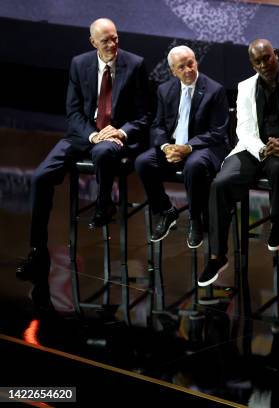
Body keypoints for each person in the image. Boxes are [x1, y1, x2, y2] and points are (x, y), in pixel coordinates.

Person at [16, 18, 149, 282]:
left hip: (116, 136)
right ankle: (37, 252)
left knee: (103, 153)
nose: (112, 44)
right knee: (41, 177)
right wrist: (91, 134)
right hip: (84, 134)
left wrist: (120, 131)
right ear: (93, 43)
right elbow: (73, 111)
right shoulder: (80, 64)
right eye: (105, 41)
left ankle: (104, 205)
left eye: (115, 38)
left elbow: (144, 115)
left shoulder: (135, 65)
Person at [198, 38, 279, 287]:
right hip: (255, 148)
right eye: (258, 61)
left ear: (276, 54)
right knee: (220, 183)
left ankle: (278, 222)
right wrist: (262, 148)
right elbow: (243, 129)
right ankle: (217, 255)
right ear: (252, 64)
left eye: (267, 58)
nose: (264, 64)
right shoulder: (245, 87)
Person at [135, 46, 229, 248]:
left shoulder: (215, 90)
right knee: (143, 162)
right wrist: (167, 147)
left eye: (191, 64)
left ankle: (196, 220)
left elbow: (217, 132)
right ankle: (166, 210)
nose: (188, 70)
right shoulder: (164, 89)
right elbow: (158, 125)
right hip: (175, 147)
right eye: (182, 67)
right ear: (173, 71)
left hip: (205, 147)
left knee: (194, 166)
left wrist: (187, 147)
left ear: (196, 62)